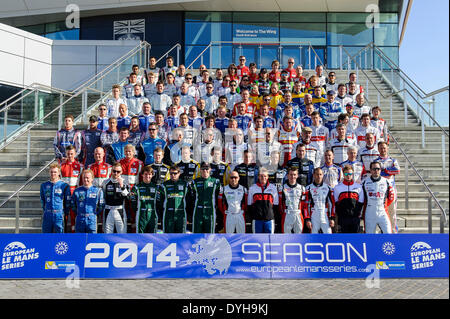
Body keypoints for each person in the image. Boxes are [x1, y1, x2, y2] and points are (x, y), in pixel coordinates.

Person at [361, 161, 395, 234]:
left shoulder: (386, 182)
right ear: (370, 170)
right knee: (369, 236)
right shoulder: (364, 182)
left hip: (382, 212)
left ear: (380, 170)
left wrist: (384, 205)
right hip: (369, 213)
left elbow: (391, 197)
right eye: (374, 169)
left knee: (388, 233)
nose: (376, 171)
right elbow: (361, 198)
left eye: (378, 169)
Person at [155, 165, 191, 233]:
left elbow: (189, 201)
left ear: (179, 173)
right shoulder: (164, 185)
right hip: (168, 214)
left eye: (175, 173)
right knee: (168, 235)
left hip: (181, 214)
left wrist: (188, 216)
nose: (173, 175)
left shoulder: (185, 185)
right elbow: (159, 202)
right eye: (171, 173)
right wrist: (161, 215)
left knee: (181, 236)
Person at [374, 141, 400, 233]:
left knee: (392, 212)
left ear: (387, 148)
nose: (383, 150)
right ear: (378, 149)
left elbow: (397, 171)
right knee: (378, 213)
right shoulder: (375, 161)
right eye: (381, 148)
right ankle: (378, 233)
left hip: (391, 190)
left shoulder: (393, 160)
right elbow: (375, 174)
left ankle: (393, 232)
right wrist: (389, 171)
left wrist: (385, 170)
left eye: (384, 148)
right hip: (379, 189)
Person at [188, 162, 222, 233]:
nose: (205, 170)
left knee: (210, 234)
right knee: (196, 233)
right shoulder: (194, 182)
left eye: (207, 168)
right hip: (198, 211)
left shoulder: (216, 182)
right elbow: (191, 198)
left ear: (210, 169)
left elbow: (218, 197)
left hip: (210, 211)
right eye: (203, 168)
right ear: (200, 170)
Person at [70, 169, 105, 233]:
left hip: (92, 219)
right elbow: (73, 205)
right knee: (79, 240)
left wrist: (94, 213)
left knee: (92, 240)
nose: (85, 180)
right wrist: (78, 212)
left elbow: (101, 205)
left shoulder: (98, 191)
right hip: (80, 219)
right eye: (84, 178)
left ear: (92, 179)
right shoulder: (77, 191)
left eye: (87, 178)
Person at [40, 163, 71, 233]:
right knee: (46, 236)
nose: (53, 174)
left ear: (59, 173)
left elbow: (67, 202)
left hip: (59, 215)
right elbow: (42, 200)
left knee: (59, 236)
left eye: (55, 172)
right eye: (51, 172)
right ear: (49, 172)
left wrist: (64, 213)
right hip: (47, 214)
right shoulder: (44, 185)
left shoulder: (64, 185)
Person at [333, 164, 364, 233]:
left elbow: (361, 203)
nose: (348, 175)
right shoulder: (337, 187)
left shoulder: (359, 187)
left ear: (353, 174)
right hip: (343, 218)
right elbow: (336, 203)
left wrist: (358, 215)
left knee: (355, 239)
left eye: (350, 173)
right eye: (346, 173)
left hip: (355, 218)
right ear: (343, 174)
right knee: (344, 238)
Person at [303, 168, 335, 234]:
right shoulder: (308, 188)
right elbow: (305, 205)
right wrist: (307, 219)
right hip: (314, 216)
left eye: (320, 174)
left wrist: (332, 218)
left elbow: (332, 204)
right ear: (314, 175)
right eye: (317, 174)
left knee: (328, 235)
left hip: (324, 215)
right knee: (313, 236)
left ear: (323, 175)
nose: (319, 176)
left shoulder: (328, 188)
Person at [247, 168, 279, 233]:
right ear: (258, 176)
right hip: (257, 220)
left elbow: (276, 204)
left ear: (267, 177)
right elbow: (249, 205)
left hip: (269, 220)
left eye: (265, 176)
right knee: (257, 240)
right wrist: (254, 217)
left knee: (270, 240)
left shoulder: (273, 188)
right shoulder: (252, 188)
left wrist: (271, 216)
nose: (263, 178)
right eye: (261, 176)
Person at [60, 145, 84, 232]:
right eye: (68, 154)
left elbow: (82, 182)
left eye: (71, 154)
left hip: (75, 194)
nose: (70, 156)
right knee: (64, 216)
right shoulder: (61, 166)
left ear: (75, 154)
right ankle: (64, 234)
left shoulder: (80, 166)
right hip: (64, 195)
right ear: (66, 154)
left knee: (75, 215)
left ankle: (74, 234)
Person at [102, 162, 130, 233]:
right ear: (111, 171)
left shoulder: (125, 183)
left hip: (120, 210)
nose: (116, 173)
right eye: (114, 171)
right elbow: (103, 197)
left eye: (118, 172)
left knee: (122, 233)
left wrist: (122, 186)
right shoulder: (105, 182)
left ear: (121, 172)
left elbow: (127, 197)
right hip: (108, 210)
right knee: (107, 233)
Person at [130, 165, 159, 233]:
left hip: (152, 214)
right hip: (141, 214)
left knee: (153, 235)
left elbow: (159, 202)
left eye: (149, 174)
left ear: (152, 175)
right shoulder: (136, 188)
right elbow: (133, 203)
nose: (147, 176)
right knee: (141, 235)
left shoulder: (156, 188)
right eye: (145, 174)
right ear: (142, 175)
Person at [279, 167, 306, 234]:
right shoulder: (282, 187)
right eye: (291, 174)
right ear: (287, 175)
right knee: (286, 236)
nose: (292, 176)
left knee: (299, 236)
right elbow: (280, 203)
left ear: (297, 175)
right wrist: (282, 212)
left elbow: (304, 203)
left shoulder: (302, 188)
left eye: (294, 174)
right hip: (287, 214)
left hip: (298, 214)